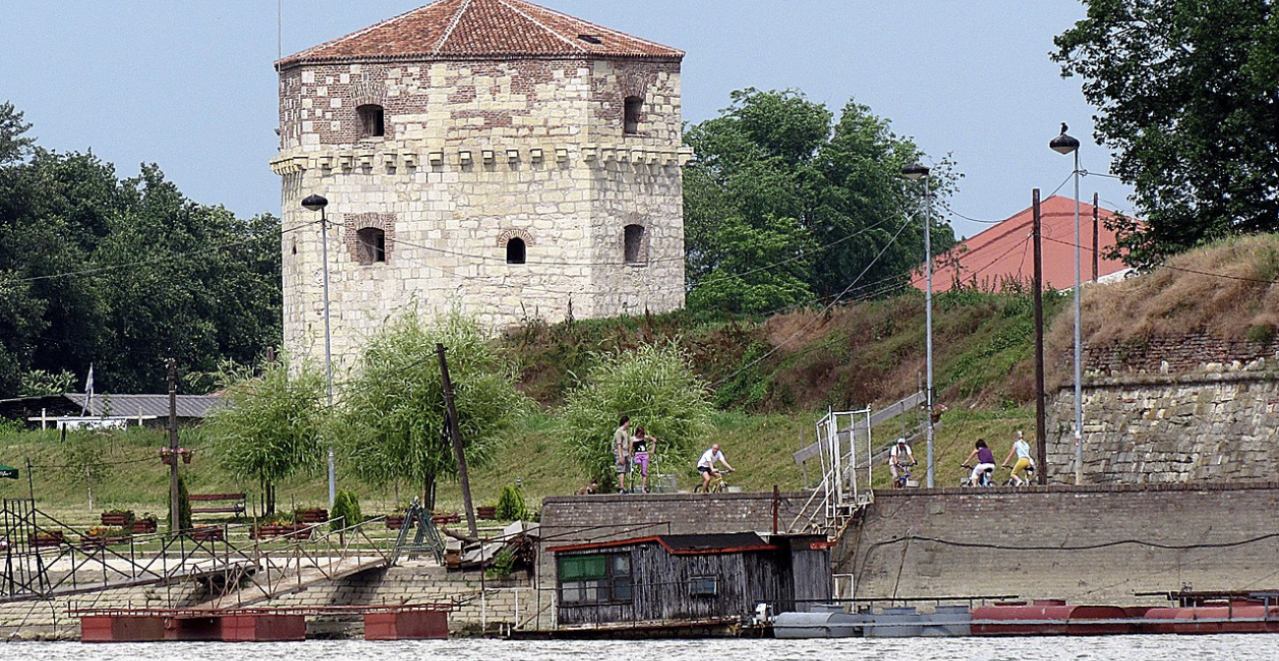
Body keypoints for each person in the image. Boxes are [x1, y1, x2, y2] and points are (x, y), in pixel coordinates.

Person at [630, 426, 658, 493]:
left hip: (644, 454)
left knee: (644, 472)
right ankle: (634, 483)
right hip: (637, 454)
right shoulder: (633, 439)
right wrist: (630, 454)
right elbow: (630, 448)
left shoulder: (644, 437)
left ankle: (643, 488)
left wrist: (652, 450)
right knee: (636, 466)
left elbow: (654, 440)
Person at [613, 415, 631, 493]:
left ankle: (623, 486)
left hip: (625, 453)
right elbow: (619, 444)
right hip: (620, 453)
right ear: (625, 422)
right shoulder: (619, 432)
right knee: (621, 470)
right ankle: (621, 488)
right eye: (628, 422)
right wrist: (621, 457)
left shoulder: (625, 431)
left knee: (625, 470)